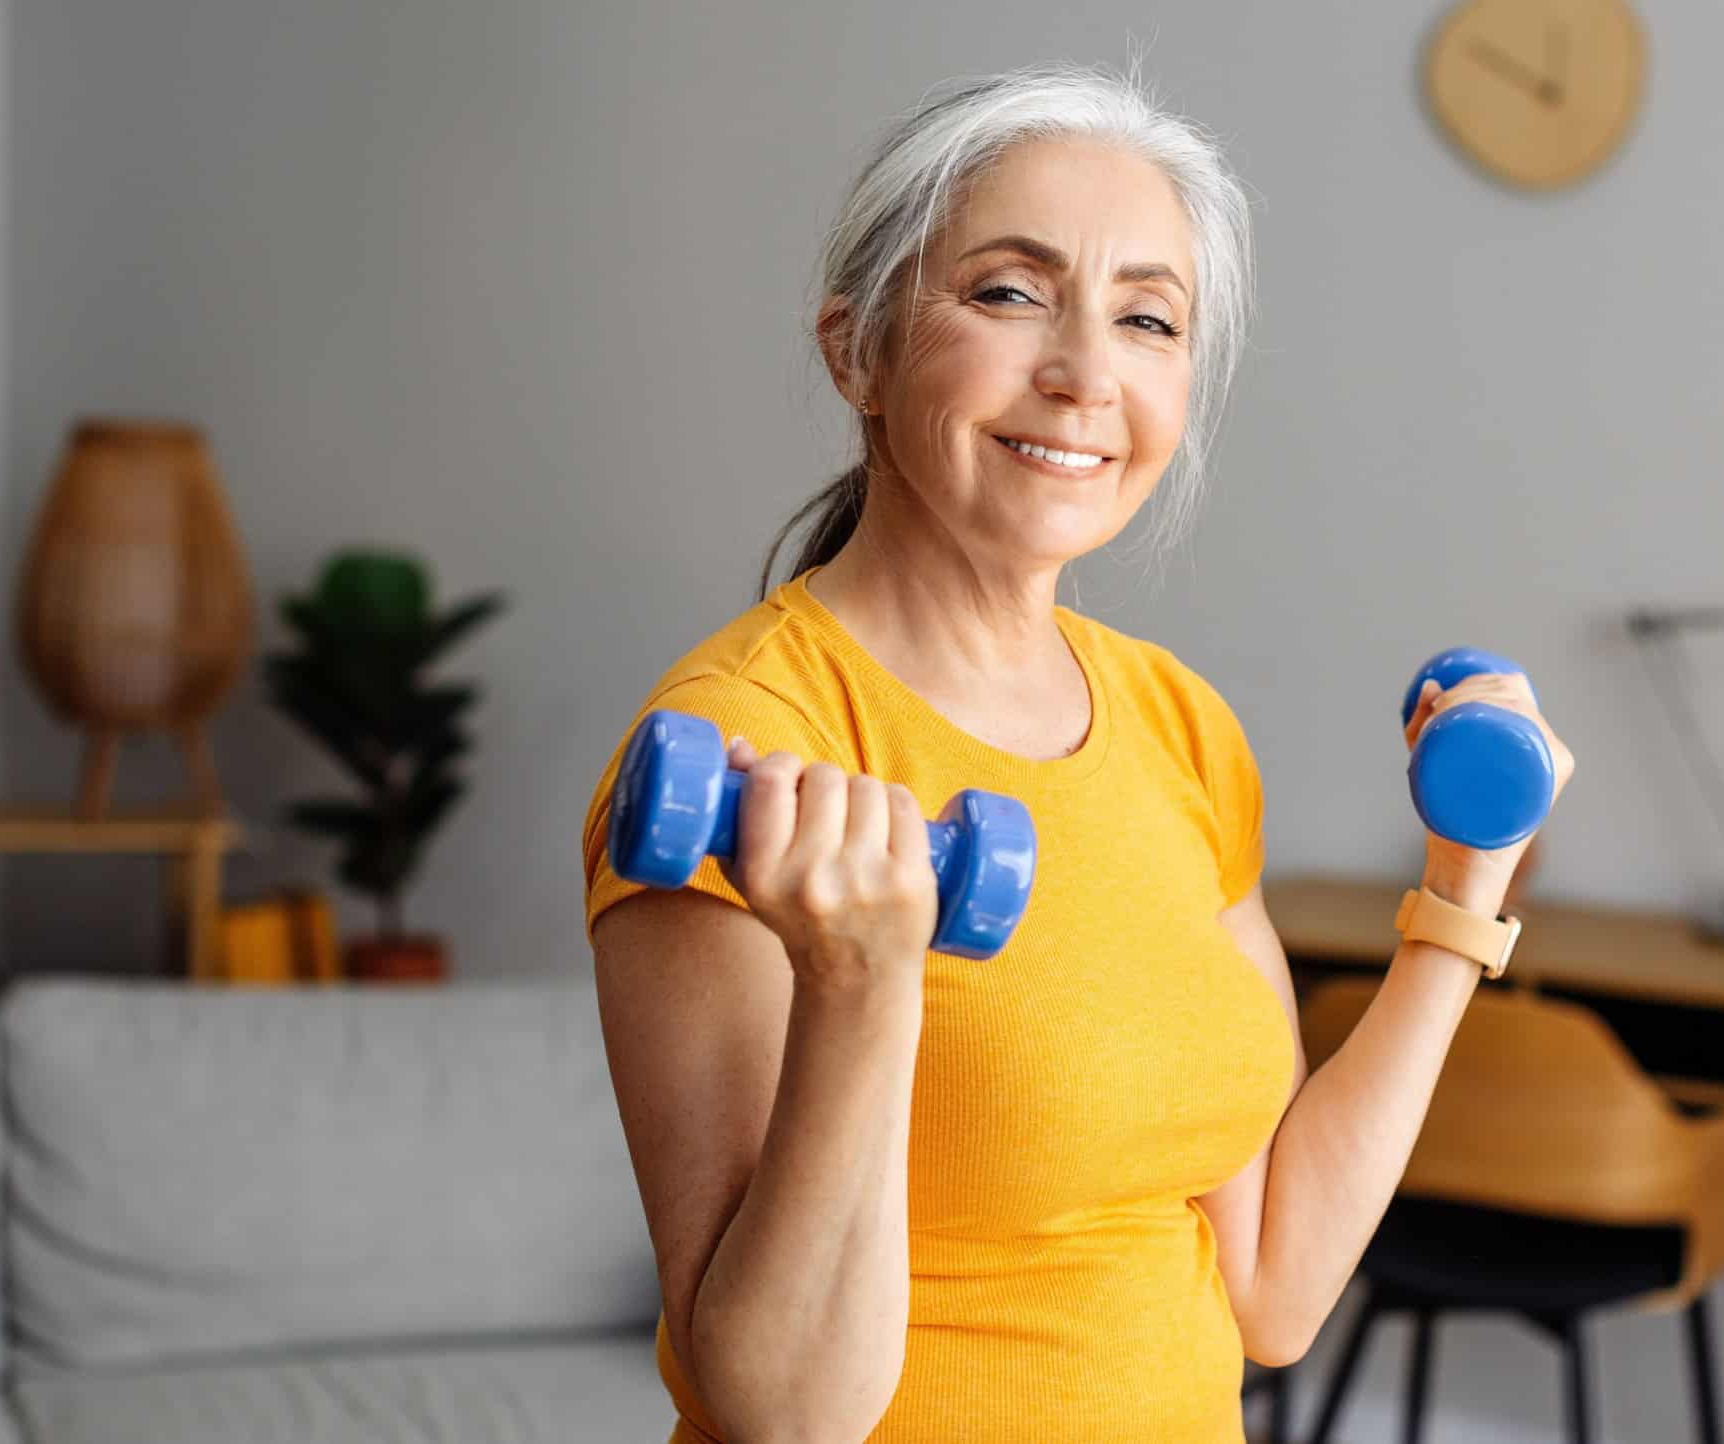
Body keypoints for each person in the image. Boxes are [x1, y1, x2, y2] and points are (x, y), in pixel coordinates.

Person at [579, 60, 1574, 1444]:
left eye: (1149, 319)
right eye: (1008, 292)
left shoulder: (1180, 728)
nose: (1085, 374)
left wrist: (1464, 898)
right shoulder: (756, 747)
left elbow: (1274, 1286)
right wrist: (864, 987)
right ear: (856, 348)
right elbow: (783, 1416)